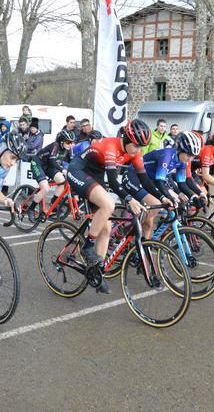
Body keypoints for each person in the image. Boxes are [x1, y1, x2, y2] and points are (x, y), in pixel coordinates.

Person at [66, 119, 157, 295]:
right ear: (127, 139)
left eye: (141, 146)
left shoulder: (134, 152)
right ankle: (88, 246)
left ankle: (96, 271)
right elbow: (114, 182)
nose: (138, 150)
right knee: (109, 204)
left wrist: (164, 197)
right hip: (79, 170)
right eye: (136, 145)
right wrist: (129, 199)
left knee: (106, 228)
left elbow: (145, 180)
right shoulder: (110, 146)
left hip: (95, 174)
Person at [122, 131, 201, 240]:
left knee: (149, 221)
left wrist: (194, 197)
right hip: (133, 176)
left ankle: (145, 245)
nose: (190, 159)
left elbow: (182, 184)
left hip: (147, 181)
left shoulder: (182, 162)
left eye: (193, 156)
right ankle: (127, 232)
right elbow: (159, 181)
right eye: (188, 155)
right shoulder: (167, 155)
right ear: (180, 150)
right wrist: (170, 197)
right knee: (155, 205)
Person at [28, 129, 76, 219]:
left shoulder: (68, 149)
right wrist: (63, 170)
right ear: (61, 141)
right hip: (38, 164)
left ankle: (54, 203)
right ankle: (31, 208)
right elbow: (52, 161)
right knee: (45, 188)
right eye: (68, 142)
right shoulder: (55, 145)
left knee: (62, 181)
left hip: (49, 165)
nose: (70, 145)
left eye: (72, 142)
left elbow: (72, 161)